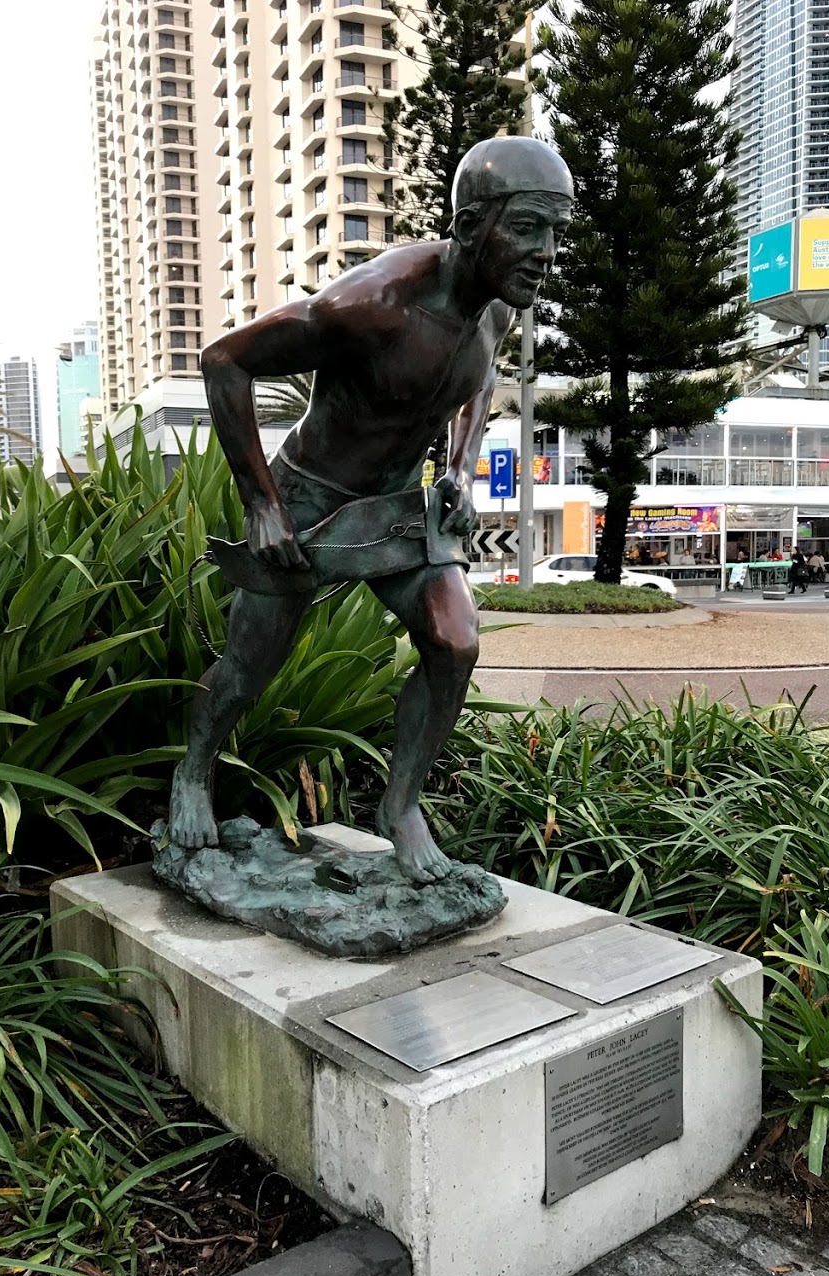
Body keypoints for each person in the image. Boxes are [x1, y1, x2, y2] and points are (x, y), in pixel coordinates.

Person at [167, 137, 574, 884]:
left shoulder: (498, 308)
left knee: (454, 642)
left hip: (396, 509)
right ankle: (194, 771)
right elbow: (225, 359)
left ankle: (401, 806)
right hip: (309, 503)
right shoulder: (374, 304)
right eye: (528, 228)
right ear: (470, 223)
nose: (547, 251)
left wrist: (458, 466)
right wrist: (262, 502)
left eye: (557, 230)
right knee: (247, 671)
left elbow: (477, 385)